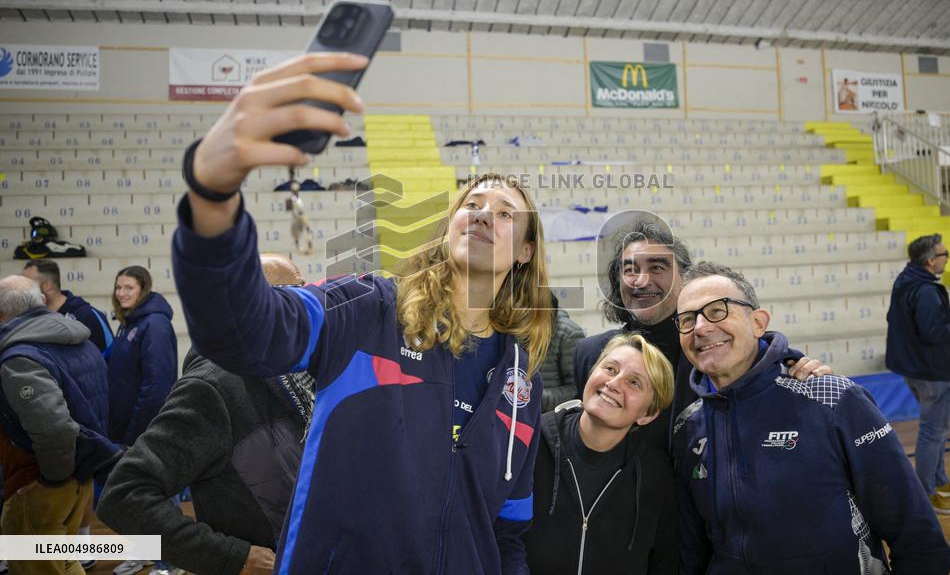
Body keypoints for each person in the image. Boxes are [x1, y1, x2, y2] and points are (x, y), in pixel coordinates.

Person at [171, 52, 553, 573]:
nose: (486, 213)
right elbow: (243, 331)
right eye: (473, 203)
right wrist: (212, 195)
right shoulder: (368, 307)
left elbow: (508, 533)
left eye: (507, 213)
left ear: (526, 251)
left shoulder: (521, 382)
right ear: (449, 228)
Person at [672, 261, 950, 574]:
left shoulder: (833, 398)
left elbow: (920, 541)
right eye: (687, 319)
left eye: (716, 311)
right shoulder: (688, 426)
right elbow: (692, 548)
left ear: (758, 323)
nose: (700, 327)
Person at [97, 255, 314, 575]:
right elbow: (124, 497)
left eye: (303, 294)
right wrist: (231, 557)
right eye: (288, 297)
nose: (304, 309)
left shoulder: (297, 368)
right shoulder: (212, 387)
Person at [573, 217, 825, 447]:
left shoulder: (714, 350)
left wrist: (804, 371)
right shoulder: (591, 354)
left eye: (657, 267)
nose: (641, 280)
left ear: (684, 278)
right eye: (630, 270)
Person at [524, 333, 678, 574]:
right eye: (609, 368)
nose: (614, 384)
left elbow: (664, 563)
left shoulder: (655, 476)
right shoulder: (530, 444)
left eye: (634, 382)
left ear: (648, 415)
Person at [0, 275, 121, 575]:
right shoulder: (77, 340)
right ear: (40, 302)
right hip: (77, 477)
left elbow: (55, 430)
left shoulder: (21, 358)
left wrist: (50, 481)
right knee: (64, 563)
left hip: (43, 481)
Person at [886, 233, 950, 516]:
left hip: (918, 369)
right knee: (933, 432)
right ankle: (925, 493)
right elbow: (934, 332)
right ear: (930, 261)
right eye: (944, 253)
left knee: (937, 430)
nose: (947, 257)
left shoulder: (906, 281)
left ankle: (939, 480)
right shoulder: (925, 290)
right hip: (935, 372)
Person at [106, 266, 178, 448]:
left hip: (139, 432)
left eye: (129, 288)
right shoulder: (129, 321)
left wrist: (136, 436)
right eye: (118, 287)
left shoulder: (155, 325)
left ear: (143, 289)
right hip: (122, 426)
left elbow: (157, 386)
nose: (121, 293)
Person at [21, 260, 113, 355]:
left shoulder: (88, 315)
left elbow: (109, 355)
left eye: (28, 283)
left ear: (47, 285)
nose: (21, 288)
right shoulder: (27, 317)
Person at [540, 292, 585, 412]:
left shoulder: (568, 334)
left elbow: (577, 389)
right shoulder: (514, 329)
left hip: (551, 416)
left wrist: (535, 397)